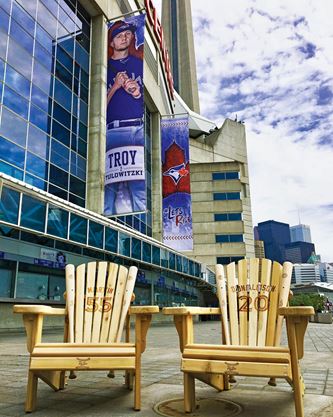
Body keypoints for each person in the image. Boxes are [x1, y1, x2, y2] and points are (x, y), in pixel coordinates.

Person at [105, 18, 146, 216]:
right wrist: (115, 87)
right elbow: (98, 106)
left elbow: (145, 104)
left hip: (137, 129)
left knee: (138, 188)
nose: (124, 38)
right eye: (119, 35)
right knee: (108, 189)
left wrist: (136, 92)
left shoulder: (139, 64)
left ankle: (140, 239)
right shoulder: (104, 66)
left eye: (128, 34)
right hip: (113, 131)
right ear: (111, 42)